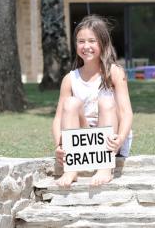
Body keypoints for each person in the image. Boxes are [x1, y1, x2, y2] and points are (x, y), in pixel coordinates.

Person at [52, 15, 133, 188]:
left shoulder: (115, 72)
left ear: (103, 43)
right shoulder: (70, 78)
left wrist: (120, 138)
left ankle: (105, 168)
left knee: (106, 101)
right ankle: (71, 169)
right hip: (84, 142)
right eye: (81, 41)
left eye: (92, 41)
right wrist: (59, 145)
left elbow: (126, 113)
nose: (86, 46)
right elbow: (59, 118)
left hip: (111, 142)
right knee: (70, 104)